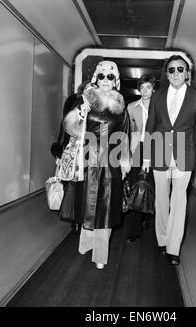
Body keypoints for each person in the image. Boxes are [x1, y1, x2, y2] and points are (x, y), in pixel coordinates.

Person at [62, 60, 131, 270]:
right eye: (102, 76)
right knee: (87, 203)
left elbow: (125, 135)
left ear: (116, 80)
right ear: (96, 78)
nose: (105, 80)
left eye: (110, 76)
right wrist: (78, 115)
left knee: (107, 206)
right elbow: (69, 127)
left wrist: (125, 161)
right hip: (87, 158)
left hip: (111, 160)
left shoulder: (121, 107)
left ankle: (100, 254)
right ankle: (85, 244)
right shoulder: (85, 101)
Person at [142, 54, 196, 265]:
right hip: (159, 153)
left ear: (187, 73)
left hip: (185, 154)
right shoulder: (157, 97)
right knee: (161, 200)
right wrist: (145, 158)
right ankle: (162, 240)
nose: (176, 73)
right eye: (171, 70)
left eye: (180, 69)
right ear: (167, 74)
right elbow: (149, 128)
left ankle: (173, 248)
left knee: (179, 201)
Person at [51, 80, 92, 233]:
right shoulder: (74, 103)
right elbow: (64, 127)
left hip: (90, 150)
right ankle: (74, 219)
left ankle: (83, 219)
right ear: (82, 90)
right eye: (87, 88)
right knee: (72, 185)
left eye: (92, 88)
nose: (89, 91)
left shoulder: (98, 105)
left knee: (87, 187)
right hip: (73, 148)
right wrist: (60, 153)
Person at [124, 74, 156, 242]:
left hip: (156, 148)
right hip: (137, 148)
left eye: (148, 87)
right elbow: (127, 131)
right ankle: (134, 231)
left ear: (153, 88)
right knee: (136, 187)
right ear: (139, 89)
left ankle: (147, 217)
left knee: (151, 186)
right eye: (142, 87)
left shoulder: (159, 105)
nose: (145, 91)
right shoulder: (131, 107)